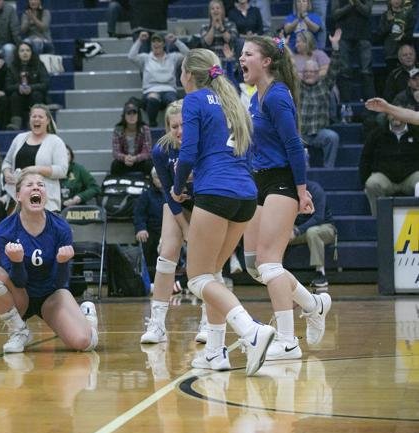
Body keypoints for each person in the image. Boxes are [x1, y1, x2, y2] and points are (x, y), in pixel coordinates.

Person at [172, 48, 275, 376]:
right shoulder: (236, 102)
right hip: (246, 195)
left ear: (188, 75)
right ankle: (215, 352)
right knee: (213, 275)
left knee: (197, 278)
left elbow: (187, 153)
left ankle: (251, 330)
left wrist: (177, 185)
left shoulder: (194, 100)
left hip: (216, 192)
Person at [240, 35, 331, 360]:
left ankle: (288, 341)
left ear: (266, 61)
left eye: (247, 53)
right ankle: (313, 304)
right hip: (259, 182)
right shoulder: (255, 96)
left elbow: (294, 146)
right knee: (253, 265)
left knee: (269, 263)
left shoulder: (277, 96)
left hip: (282, 182)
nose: (241, 58)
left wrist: (301, 190)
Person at [0, 170, 99, 353]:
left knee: (84, 344)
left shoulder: (60, 227)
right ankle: (19, 331)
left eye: (40, 184)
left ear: (45, 195)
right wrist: (17, 262)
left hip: (50, 294)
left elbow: (60, 283)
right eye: (30, 184)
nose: (36, 187)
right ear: (18, 196)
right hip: (20, 294)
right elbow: (18, 282)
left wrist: (63, 262)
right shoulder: (5, 229)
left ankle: (88, 320)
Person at [140, 99, 196, 344]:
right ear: (167, 127)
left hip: (204, 203)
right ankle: (157, 323)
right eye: (174, 126)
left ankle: (209, 322)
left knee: (204, 261)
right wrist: (184, 226)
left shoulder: (202, 144)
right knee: (166, 256)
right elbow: (166, 192)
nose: (180, 131)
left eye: (184, 125)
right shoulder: (161, 151)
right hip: (176, 205)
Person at [1, 104, 68, 212]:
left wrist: (36, 169)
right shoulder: (19, 138)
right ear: (29, 119)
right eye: (34, 116)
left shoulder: (56, 141)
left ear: (48, 121)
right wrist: (7, 173)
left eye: (40, 117)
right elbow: (7, 162)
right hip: (17, 200)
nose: (37, 119)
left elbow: (62, 171)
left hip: (46, 202)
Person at [359, 109, 419, 216]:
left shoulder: (416, 132)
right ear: (387, 116)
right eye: (392, 113)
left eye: (399, 113)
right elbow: (365, 158)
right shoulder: (377, 134)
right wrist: (364, 181)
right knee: (372, 183)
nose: (396, 116)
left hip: (410, 177)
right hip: (385, 177)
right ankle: (379, 222)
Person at [300, 30, 343, 170]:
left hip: (318, 132)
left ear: (318, 73)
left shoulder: (325, 84)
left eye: (312, 72)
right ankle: (299, 172)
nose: (309, 74)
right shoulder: (296, 86)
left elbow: (335, 68)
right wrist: (281, 45)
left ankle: (328, 170)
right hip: (300, 133)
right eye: (306, 72)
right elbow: (281, 69)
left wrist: (335, 46)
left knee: (333, 137)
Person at [128, 31, 189, 127]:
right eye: (154, 41)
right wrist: (139, 40)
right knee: (153, 99)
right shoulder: (145, 58)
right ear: (151, 44)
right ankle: (152, 124)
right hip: (151, 90)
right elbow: (131, 57)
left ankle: (174, 125)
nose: (156, 44)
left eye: (159, 41)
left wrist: (176, 41)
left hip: (169, 90)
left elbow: (188, 54)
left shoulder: (172, 57)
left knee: (173, 101)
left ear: (163, 44)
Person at [288, 180, 336, 289]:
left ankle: (320, 273)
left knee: (313, 232)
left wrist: (297, 231)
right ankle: (275, 271)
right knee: (281, 231)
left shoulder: (315, 190)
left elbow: (318, 218)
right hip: (303, 230)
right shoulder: (288, 192)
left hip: (326, 227)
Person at [332, 0, 375, 101]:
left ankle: (371, 106)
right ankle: (346, 105)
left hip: (363, 33)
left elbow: (367, 11)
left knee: (366, 70)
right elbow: (335, 14)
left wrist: (355, 2)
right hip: (343, 33)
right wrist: (350, 5)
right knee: (344, 69)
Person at [5, 41, 50, 130]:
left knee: (36, 94)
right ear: (17, 53)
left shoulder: (39, 64)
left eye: (27, 50)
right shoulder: (12, 67)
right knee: (14, 95)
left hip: (34, 95)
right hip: (19, 96)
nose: (25, 53)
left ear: (31, 52)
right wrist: (19, 87)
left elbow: (45, 84)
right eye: (22, 51)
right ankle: (16, 124)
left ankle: (34, 122)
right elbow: (7, 86)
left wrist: (31, 88)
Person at [134, 168, 165, 281]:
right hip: (152, 231)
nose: (160, 179)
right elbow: (139, 214)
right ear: (152, 179)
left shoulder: (174, 193)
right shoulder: (146, 195)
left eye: (162, 175)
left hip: (170, 231)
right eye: (157, 177)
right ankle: (150, 279)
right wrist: (140, 228)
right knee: (146, 238)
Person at [110, 99, 154, 176]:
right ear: (124, 116)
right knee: (115, 165)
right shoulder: (118, 129)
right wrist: (125, 158)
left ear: (138, 115)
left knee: (149, 164)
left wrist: (135, 158)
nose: (131, 116)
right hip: (125, 162)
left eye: (134, 113)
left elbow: (147, 151)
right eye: (129, 113)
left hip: (140, 161)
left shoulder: (144, 129)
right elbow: (116, 152)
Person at [377, 0, 415, 76]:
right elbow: (380, 34)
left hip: (405, 53)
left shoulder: (408, 14)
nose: (396, 1)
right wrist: (390, 22)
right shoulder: (385, 15)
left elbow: (410, 33)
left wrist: (402, 37)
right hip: (391, 53)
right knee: (393, 78)